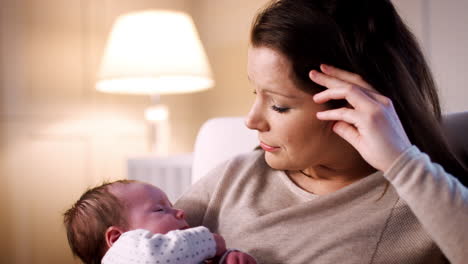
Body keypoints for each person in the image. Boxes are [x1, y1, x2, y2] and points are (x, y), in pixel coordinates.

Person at [175, 0, 468, 263]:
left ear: (354, 105)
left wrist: (400, 161)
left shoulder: (428, 206)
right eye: (256, 92)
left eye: (279, 105)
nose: (252, 121)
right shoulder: (234, 177)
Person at [63, 180, 257, 264]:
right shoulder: (121, 256)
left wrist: (225, 259)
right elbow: (154, 257)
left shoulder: (181, 254)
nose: (180, 212)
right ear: (117, 238)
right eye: (160, 209)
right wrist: (208, 242)